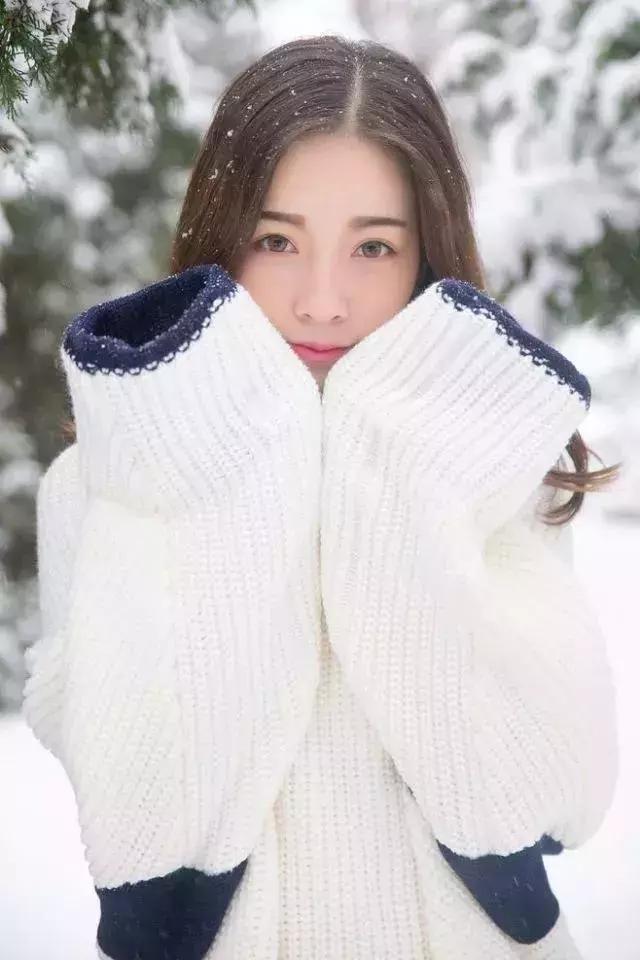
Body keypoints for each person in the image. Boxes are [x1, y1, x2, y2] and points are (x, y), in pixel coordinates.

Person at [23, 34, 620, 960]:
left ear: (426, 256)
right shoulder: (110, 482)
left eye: (374, 246)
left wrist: (394, 481)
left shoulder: (492, 470)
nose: (323, 300)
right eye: (276, 240)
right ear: (220, 238)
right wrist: (232, 468)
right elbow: (145, 834)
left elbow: (543, 807)